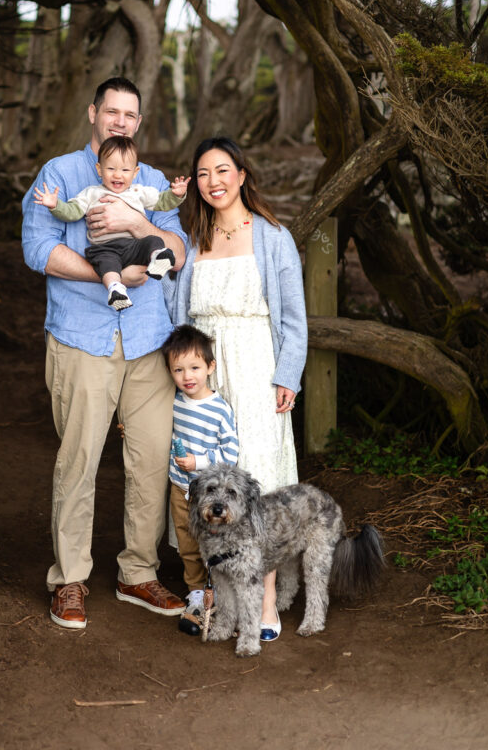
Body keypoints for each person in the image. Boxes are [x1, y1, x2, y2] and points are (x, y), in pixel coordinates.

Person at [21, 77, 187, 630]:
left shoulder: (154, 181)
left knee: (150, 462)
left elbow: (178, 250)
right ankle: (69, 578)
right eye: (111, 111)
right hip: (82, 339)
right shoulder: (61, 175)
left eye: (130, 114)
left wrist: (136, 226)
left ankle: (137, 573)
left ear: (139, 123)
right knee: (79, 460)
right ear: (93, 112)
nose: (120, 121)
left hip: (147, 341)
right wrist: (112, 272)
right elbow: (39, 250)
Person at [163, 136, 308, 642]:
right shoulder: (191, 237)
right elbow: (174, 312)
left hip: (253, 368)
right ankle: (217, 595)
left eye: (222, 170)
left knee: (258, 479)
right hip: (205, 373)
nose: (213, 182)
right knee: (206, 480)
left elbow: (293, 315)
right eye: (202, 174)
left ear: (242, 175)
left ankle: (265, 599)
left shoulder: (273, 237)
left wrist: (287, 373)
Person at [33, 135, 189, 310]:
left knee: (154, 241)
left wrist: (176, 195)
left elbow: (162, 202)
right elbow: (73, 211)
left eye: (125, 170)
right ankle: (115, 289)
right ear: (99, 169)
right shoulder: (91, 193)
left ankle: (157, 259)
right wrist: (55, 205)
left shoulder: (138, 191)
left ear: (135, 172)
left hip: (133, 247)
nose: (117, 175)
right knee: (107, 264)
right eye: (111, 168)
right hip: (105, 248)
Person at [161, 324, 239, 637]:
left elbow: (230, 452)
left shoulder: (219, 409)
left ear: (210, 367)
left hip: (209, 496)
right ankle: (196, 594)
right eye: (178, 370)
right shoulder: (175, 401)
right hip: (180, 488)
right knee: (187, 542)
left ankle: (221, 596)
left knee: (214, 544)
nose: (186, 376)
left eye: (194, 367)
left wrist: (200, 462)